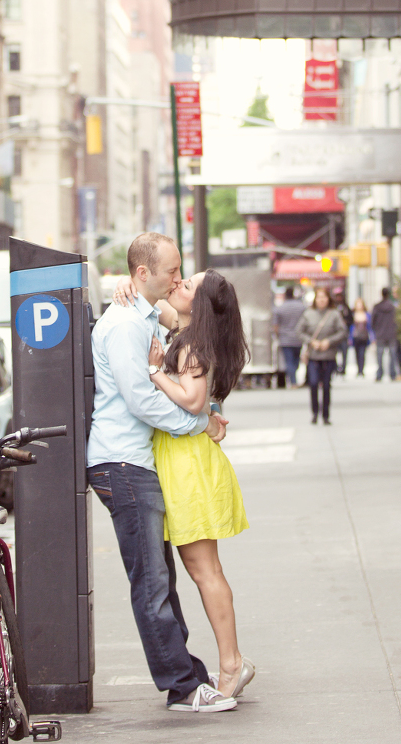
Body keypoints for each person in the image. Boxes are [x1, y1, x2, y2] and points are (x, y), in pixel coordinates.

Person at [87, 233, 237, 714]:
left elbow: (189, 328)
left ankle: (189, 674)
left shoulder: (143, 315)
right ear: (141, 274)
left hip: (136, 463)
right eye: (172, 271)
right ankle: (182, 686)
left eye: (180, 271)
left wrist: (207, 407)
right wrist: (199, 420)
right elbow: (143, 400)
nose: (177, 277)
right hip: (124, 464)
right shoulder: (126, 327)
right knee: (152, 585)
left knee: (159, 580)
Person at [113, 268, 254, 702]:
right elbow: (152, 303)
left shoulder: (193, 344)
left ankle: (231, 666)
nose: (178, 285)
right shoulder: (189, 334)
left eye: (187, 285)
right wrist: (125, 284)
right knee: (203, 569)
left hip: (189, 466)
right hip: (187, 461)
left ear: (201, 305)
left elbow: (191, 399)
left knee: (203, 570)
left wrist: (156, 372)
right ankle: (233, 661)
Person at [295, 287, 347, 424]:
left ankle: (325, 415)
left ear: (328, 299)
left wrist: (329, 342)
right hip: (313, 356)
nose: (321, 300)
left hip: (329, 356)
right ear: (315, 299)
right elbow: (299, 331)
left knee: (326, 386)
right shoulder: (308, 314)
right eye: (319, 297)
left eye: (324, 297)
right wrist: (311, 342)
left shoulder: (334, 314)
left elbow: (342, 332)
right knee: (313, 384)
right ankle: (314, 413)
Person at [272, 286, 306, 386]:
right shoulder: (301, 307)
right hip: (298, 338)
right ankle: (293, 378)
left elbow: (275, 326)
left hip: (285, 339)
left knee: (289, 361)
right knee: (296, 360)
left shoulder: (280, 308)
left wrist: (278, 336)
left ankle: (293, 381)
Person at [372, 287, 400, 381]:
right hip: (391, 334)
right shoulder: (393, 307)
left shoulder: (377, 307)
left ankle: (379, 374)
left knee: (379, 355)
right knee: (392, 355)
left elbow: (373, 321)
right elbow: (397, 321)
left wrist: (376, 331)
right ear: (388, 294)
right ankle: (392, 374)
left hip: (380, 334)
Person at [332, 287, 353, 376]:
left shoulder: (346, 307)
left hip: (344, 334)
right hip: (334, 334)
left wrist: (346, 322)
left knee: (344, 352)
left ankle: (343, 368)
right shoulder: (333, 308)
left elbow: (351, 319)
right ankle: (336, 368)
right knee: (334, 353)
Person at [350, 296, 372, 377]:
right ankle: (358, 369)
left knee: (362, 353)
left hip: (364, 336)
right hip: (355, 336)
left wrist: (372, 337)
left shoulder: (367, 314)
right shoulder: (353, 314)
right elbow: (351, 327)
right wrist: (350, 337)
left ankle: (361, 370)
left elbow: (370, 327)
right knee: (356, 354)